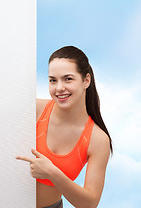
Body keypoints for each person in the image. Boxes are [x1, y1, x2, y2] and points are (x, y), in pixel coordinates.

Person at [16, 46, 112, 208]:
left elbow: (90, 203)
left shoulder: (98, 139)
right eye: (53, 80)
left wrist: (52, 173)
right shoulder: (34, 110)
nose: (59, 88)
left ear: (86, 80)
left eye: (68, 79)